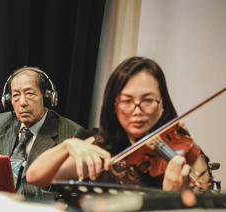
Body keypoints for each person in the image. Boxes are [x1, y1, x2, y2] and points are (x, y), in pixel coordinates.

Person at [27, 56, 211, 192]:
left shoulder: (188, 155)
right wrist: (68, 145)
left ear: (162, 103)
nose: (137, 111)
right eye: (127, 101)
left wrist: (175, 198)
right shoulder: (102, 149)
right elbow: (35, 176)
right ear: (114, 105)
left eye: (148, 100)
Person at [0, 67, 87, 197]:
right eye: (16, 95)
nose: (22, 102)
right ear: (8, 101)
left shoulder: (70, 134)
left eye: (30, 94)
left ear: (47, 97)